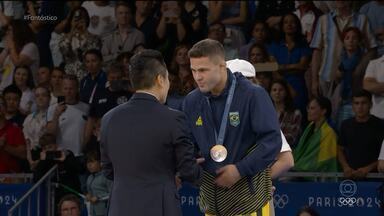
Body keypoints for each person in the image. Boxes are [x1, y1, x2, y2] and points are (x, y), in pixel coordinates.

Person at [183, 39, 281, 215]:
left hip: (249, 204)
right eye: (194, 70)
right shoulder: (192, 101)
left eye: (203, 70)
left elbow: (272, 142)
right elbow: (188, 143)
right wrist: (189, 163)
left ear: (222, 66)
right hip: (211, 205)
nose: (197, 77)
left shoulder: (253, 95)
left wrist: (239, 170)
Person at [100, 49, 202, 216]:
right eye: (168, 78)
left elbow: (108, 170)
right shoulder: (173, 118)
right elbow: (188, 171)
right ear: (160, 79)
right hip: (159, 207)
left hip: (120, 207)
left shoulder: (108, 119)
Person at [338, 90, 384, 179]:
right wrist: (345, 167)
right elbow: (340, 149)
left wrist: (368, 169)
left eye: (363, 103)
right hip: (350, 177)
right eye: (356, 103)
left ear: (370, 105)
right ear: (352, 106)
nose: (360, 107)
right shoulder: (346, 125)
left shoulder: (380, 125)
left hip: (374, 178)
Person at [293, 97, 338, 172]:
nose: (308, 111)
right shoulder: (310, 127)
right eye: (308, 108)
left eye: (312, 108)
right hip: (301, 169)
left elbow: (324, 161)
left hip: (316, 177)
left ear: (323, 111)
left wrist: (298, 166)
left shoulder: (329, 132)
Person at [85, 151, 112, 216]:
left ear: (100, 163)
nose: (89, 165)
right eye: (88, 162)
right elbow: (90, 194)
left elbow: (112, 194)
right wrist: (88, 195)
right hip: (93, 212)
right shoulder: (89, 178)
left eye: (92, 162)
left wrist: (98, 197)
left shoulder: (106, 176)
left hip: (106, 212)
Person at [363, 54, 384, 119]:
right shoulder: (374, 63)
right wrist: (373, 87)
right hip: (378, 115)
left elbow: (372, 87)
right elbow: (367, 86)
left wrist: (378, 88)